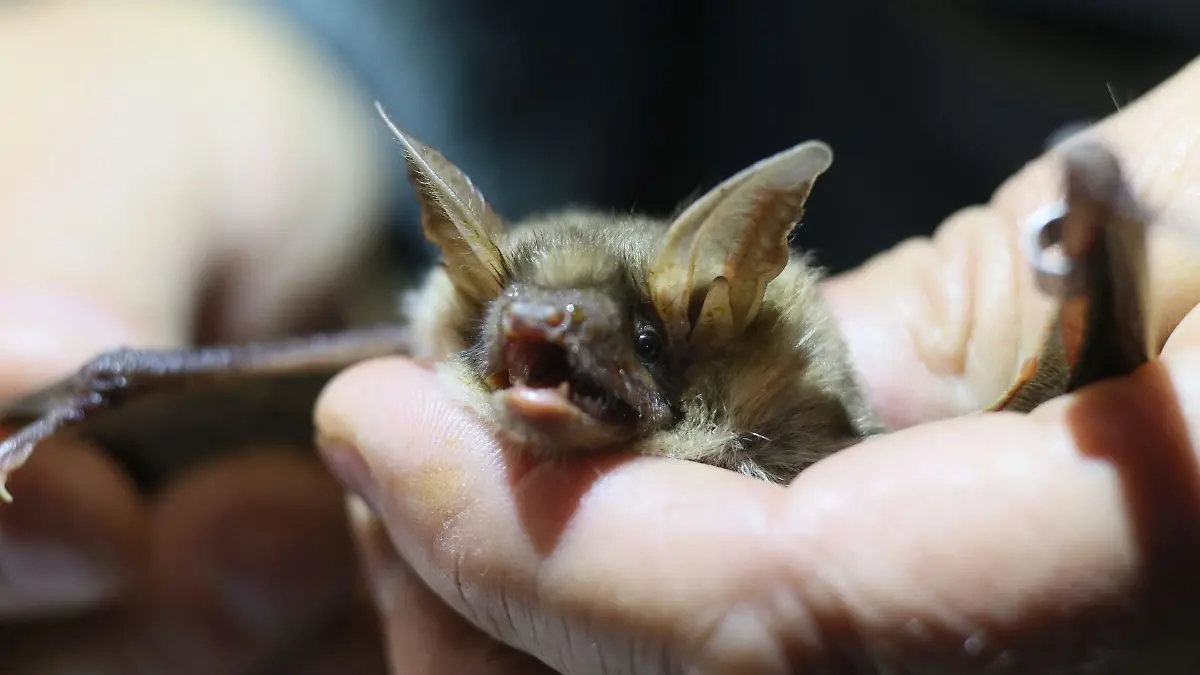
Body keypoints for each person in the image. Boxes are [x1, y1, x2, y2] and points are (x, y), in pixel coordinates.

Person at [0, 2, 1198, 673]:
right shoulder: (440, 346)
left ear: (703, 322)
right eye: (512, 325)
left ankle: (1099, 241)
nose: (537, 338)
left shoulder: (793, 404)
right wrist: (266, 41)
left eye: (621, 341)